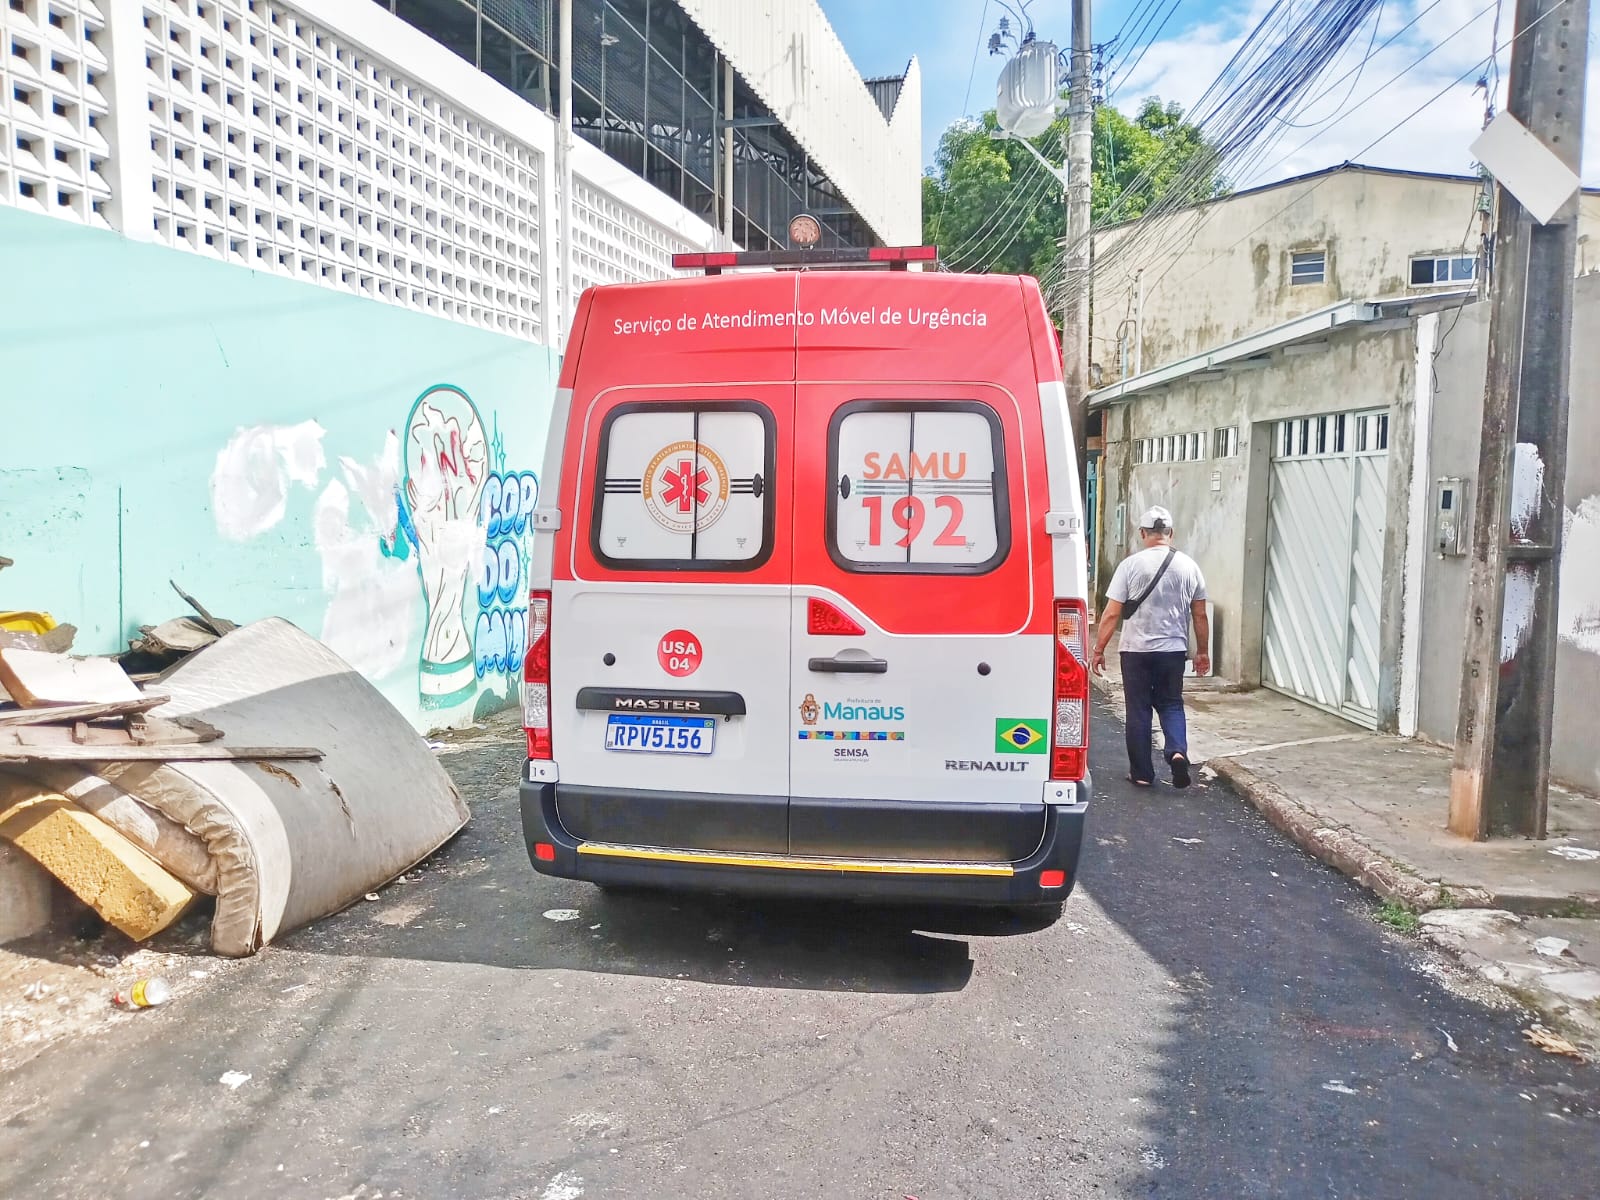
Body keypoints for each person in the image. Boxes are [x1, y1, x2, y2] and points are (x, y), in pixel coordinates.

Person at [1091, 506, 1210, 788]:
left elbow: (1110, 613)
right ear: (1170, 534)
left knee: (1139, 709)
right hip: (1173, 651)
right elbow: (1200, 615)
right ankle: (1178, 752)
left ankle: (1142, 773)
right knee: (1171, 704)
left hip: (1136, 651)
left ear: (1143, 534)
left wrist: (1098, 649)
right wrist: (1202, 651)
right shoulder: (1190, 566)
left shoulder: (1130, 566)